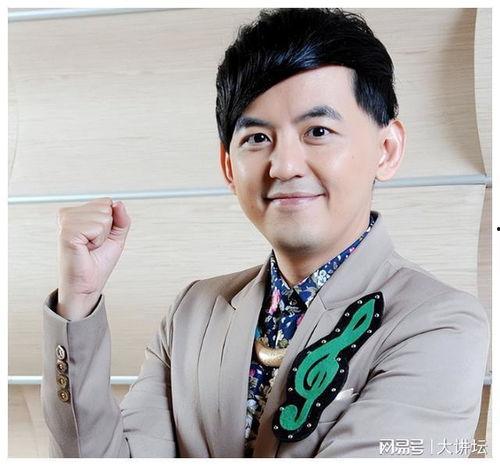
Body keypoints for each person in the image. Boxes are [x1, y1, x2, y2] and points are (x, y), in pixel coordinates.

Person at [41, 8, 490, 458]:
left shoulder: (439, 323)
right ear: (228, 166)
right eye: (257, 138)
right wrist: (78, 300)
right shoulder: (192, 313)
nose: (285, 166)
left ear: (386, 150)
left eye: (318, 131)